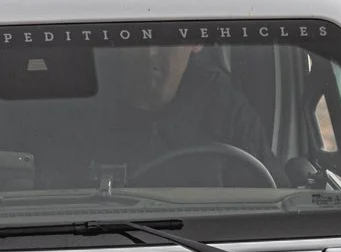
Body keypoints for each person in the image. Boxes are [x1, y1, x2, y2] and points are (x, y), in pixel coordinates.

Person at [103, 43, 268, 182]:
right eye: (135, 35)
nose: (150, 53)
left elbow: (272, 201)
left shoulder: (230, 113)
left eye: (165, 35)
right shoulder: (84, 105)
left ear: (197, 42)